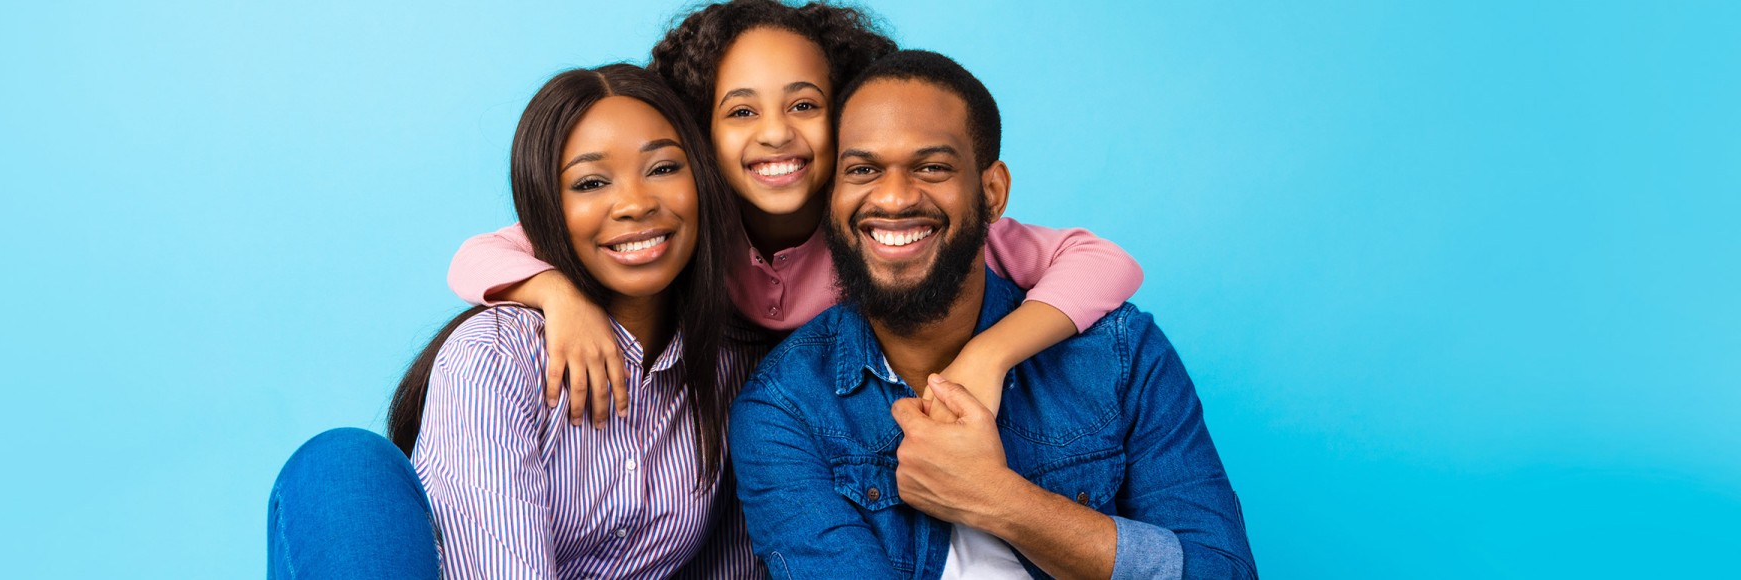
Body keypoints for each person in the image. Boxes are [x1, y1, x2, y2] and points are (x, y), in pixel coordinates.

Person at [448, 0, 1144, 428]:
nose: (776, 133)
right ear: (701, 131)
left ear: (845, 118)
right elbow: (477, 255)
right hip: (744, 434)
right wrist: (558, 295)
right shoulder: (685, 219)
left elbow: (1104, 260)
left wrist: (992, 355)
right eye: (741, 111)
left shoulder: (889, 222)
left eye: (805, 106)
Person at [729, 50, 1255, 579]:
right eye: (863, 169)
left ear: (993, 191)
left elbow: (1223, 570)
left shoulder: (1121, 355)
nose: (892, 197)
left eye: (932, 167)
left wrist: (999, 500)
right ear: (832, 196)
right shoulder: (785, 409)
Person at [267, 63, 760, 579]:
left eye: (663, 168)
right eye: (590, 182)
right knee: (341, 468)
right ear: (545, 209)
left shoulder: (735, 367)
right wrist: (557, 292)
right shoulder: (496, 358)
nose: (635, 204)